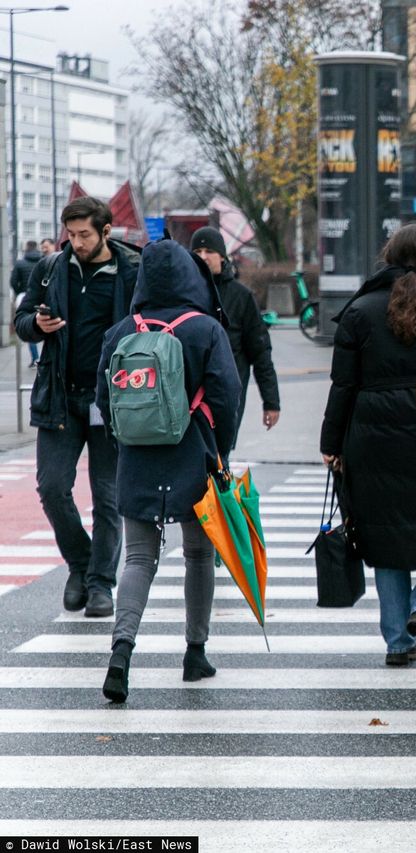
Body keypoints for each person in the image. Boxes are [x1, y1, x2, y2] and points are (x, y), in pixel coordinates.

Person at [94, 240, 240, 703]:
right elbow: (227, 395)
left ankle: (122, 650)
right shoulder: (205, 329)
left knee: (138, 558)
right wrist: (221, 450)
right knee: (198, 555)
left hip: (136, 457)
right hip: (193, 454)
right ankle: (195, 653)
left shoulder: (120, 332)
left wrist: (126, 440)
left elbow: (104, 399)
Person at [321, 224, 416, 667]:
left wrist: (331, 442)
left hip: (370, 435)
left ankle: (399, 642)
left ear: (388, 254)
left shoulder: (359, 310)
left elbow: (342, 385)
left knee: (385, 538)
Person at [14, 198, 140, 618]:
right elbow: (23, 318)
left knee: (107, 497)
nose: (76, 242)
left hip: (112, 400)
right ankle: (82, 564)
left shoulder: (131, 271)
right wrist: (37, 325)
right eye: (71, 234)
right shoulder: (51, 269)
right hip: (60, 397)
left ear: (106, 232)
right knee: (51, 487)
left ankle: (101, 584)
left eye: (84, 234)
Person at [190, 227, 280, 447]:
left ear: (222, 255)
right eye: (197, 251)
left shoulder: (241, 297)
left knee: (221, 459)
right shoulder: (184, 293)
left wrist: (271, 402)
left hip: (226, 396)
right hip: (188, 396)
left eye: (209, 250)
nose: (203, 256)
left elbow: (260, 352)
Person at [10, 240, 43, 367]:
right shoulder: (44, 262)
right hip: (43, 297)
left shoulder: (20, 263)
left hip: (25, 295)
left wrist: (20, 292)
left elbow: (13, 281)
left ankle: (35, 358)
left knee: (30, 326)